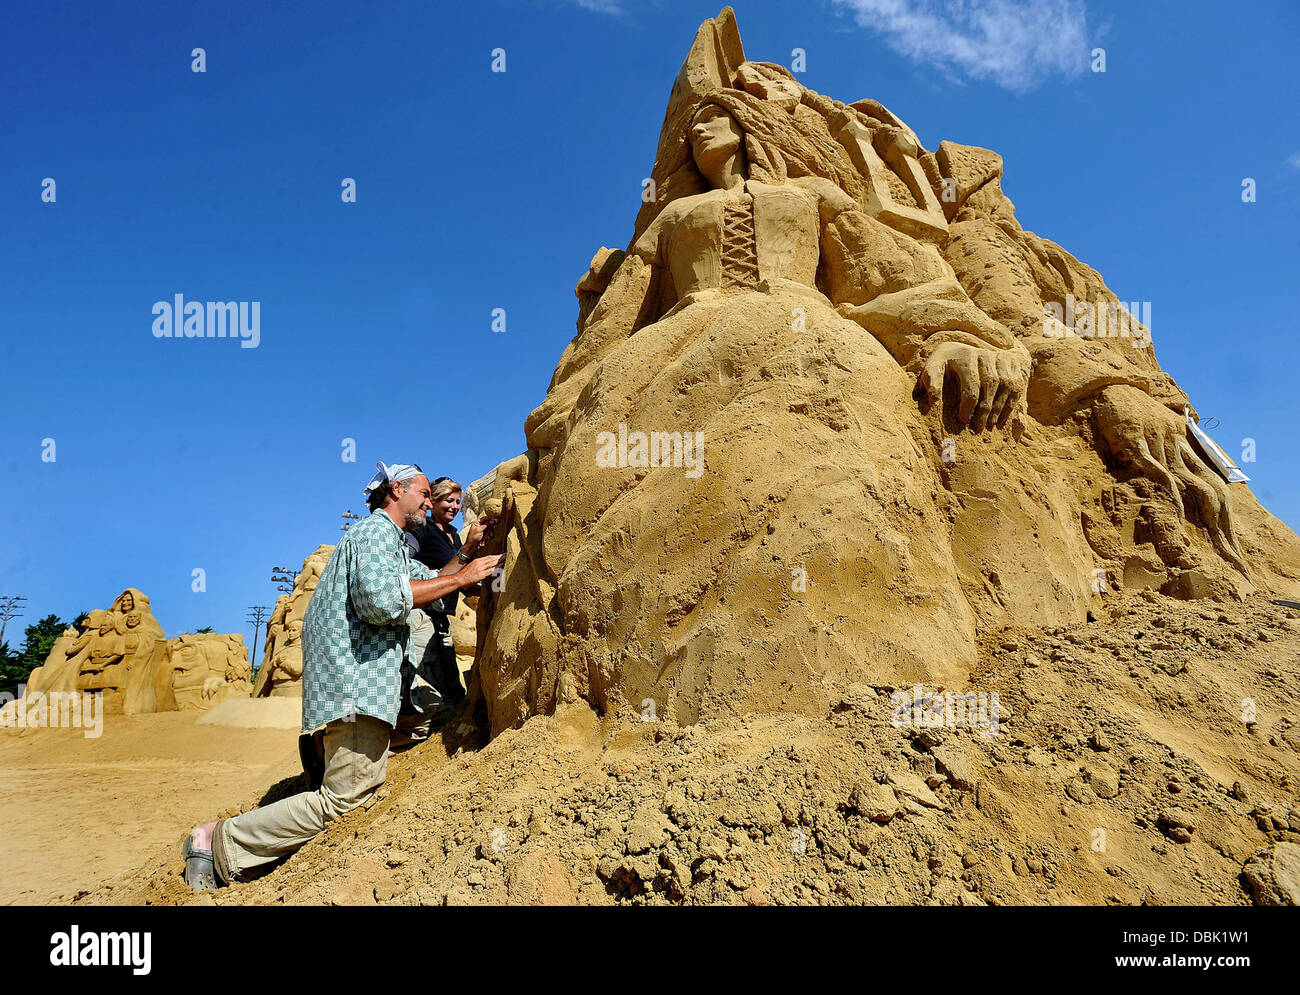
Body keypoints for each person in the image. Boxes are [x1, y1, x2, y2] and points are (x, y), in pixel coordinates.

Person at [181, 461, 501, 891]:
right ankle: (218, 839)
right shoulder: (370, 535)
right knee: (347, 799)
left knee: (438, 715)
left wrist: (464, 557)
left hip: (378, 690)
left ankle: (332, 756)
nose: (430, 500)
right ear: (395, 491)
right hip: (357, 691)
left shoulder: (394, 546)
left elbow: (429, 583)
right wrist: (464, 575)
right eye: (423, 493)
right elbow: (384, 604)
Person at [405, 476, 487, 709]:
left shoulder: (454, 535)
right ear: (434, 501)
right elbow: (402, 563)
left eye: (458, 502)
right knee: (423, 692)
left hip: (441, 619)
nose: (455, 506)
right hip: (421, 616)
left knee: (454, 691)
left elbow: (459, 580)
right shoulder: (422, 530)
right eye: (448, 500)